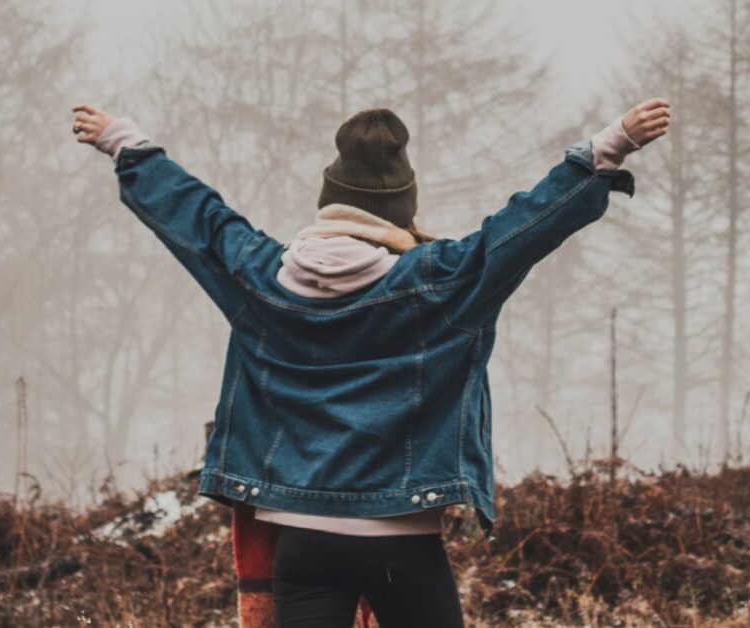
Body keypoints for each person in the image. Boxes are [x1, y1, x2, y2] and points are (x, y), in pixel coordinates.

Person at [72, 98, 669, 627]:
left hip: (300, 540)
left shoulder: (260, 276)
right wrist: (606, 147)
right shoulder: (440, 282)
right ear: (398, 211)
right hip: (399, 541)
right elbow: (518, 231)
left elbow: (198, 220)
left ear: (331, 204)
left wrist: (125, 143)